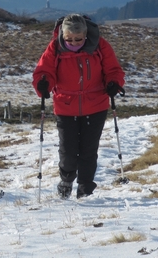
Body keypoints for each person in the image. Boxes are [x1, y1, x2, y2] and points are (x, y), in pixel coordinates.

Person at [32, 14, 125, 199]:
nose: (73, 43)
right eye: (69, 39)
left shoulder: (100, 46)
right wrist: (43, 84)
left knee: (88, 151)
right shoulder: (55, 48)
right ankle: (66, 181)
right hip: (66, 106)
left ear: (86, 35)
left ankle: (86, 188)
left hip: (96, 105)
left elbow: (113, 70)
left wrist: (113, 82)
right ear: (62, 35)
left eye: (78, 39)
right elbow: (44, 71)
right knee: (68, 150)